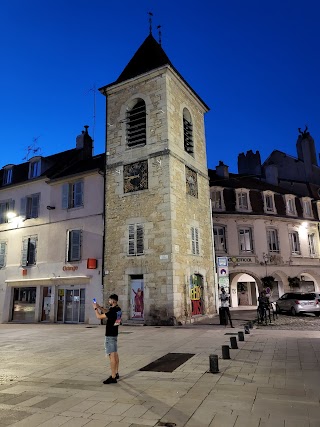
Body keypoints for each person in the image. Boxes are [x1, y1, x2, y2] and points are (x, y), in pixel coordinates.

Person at [93, 294, 122, 384]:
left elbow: (99, 317)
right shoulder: (118, 309)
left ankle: (113, 377)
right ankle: (116, 373)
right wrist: (100, 307)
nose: (109, 302)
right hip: (115, 334)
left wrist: (95, 309)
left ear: (113, 301)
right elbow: (107, 312)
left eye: (109, 300)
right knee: (115, 354)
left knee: (112, 356)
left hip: (110, 335)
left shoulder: (113, 311)